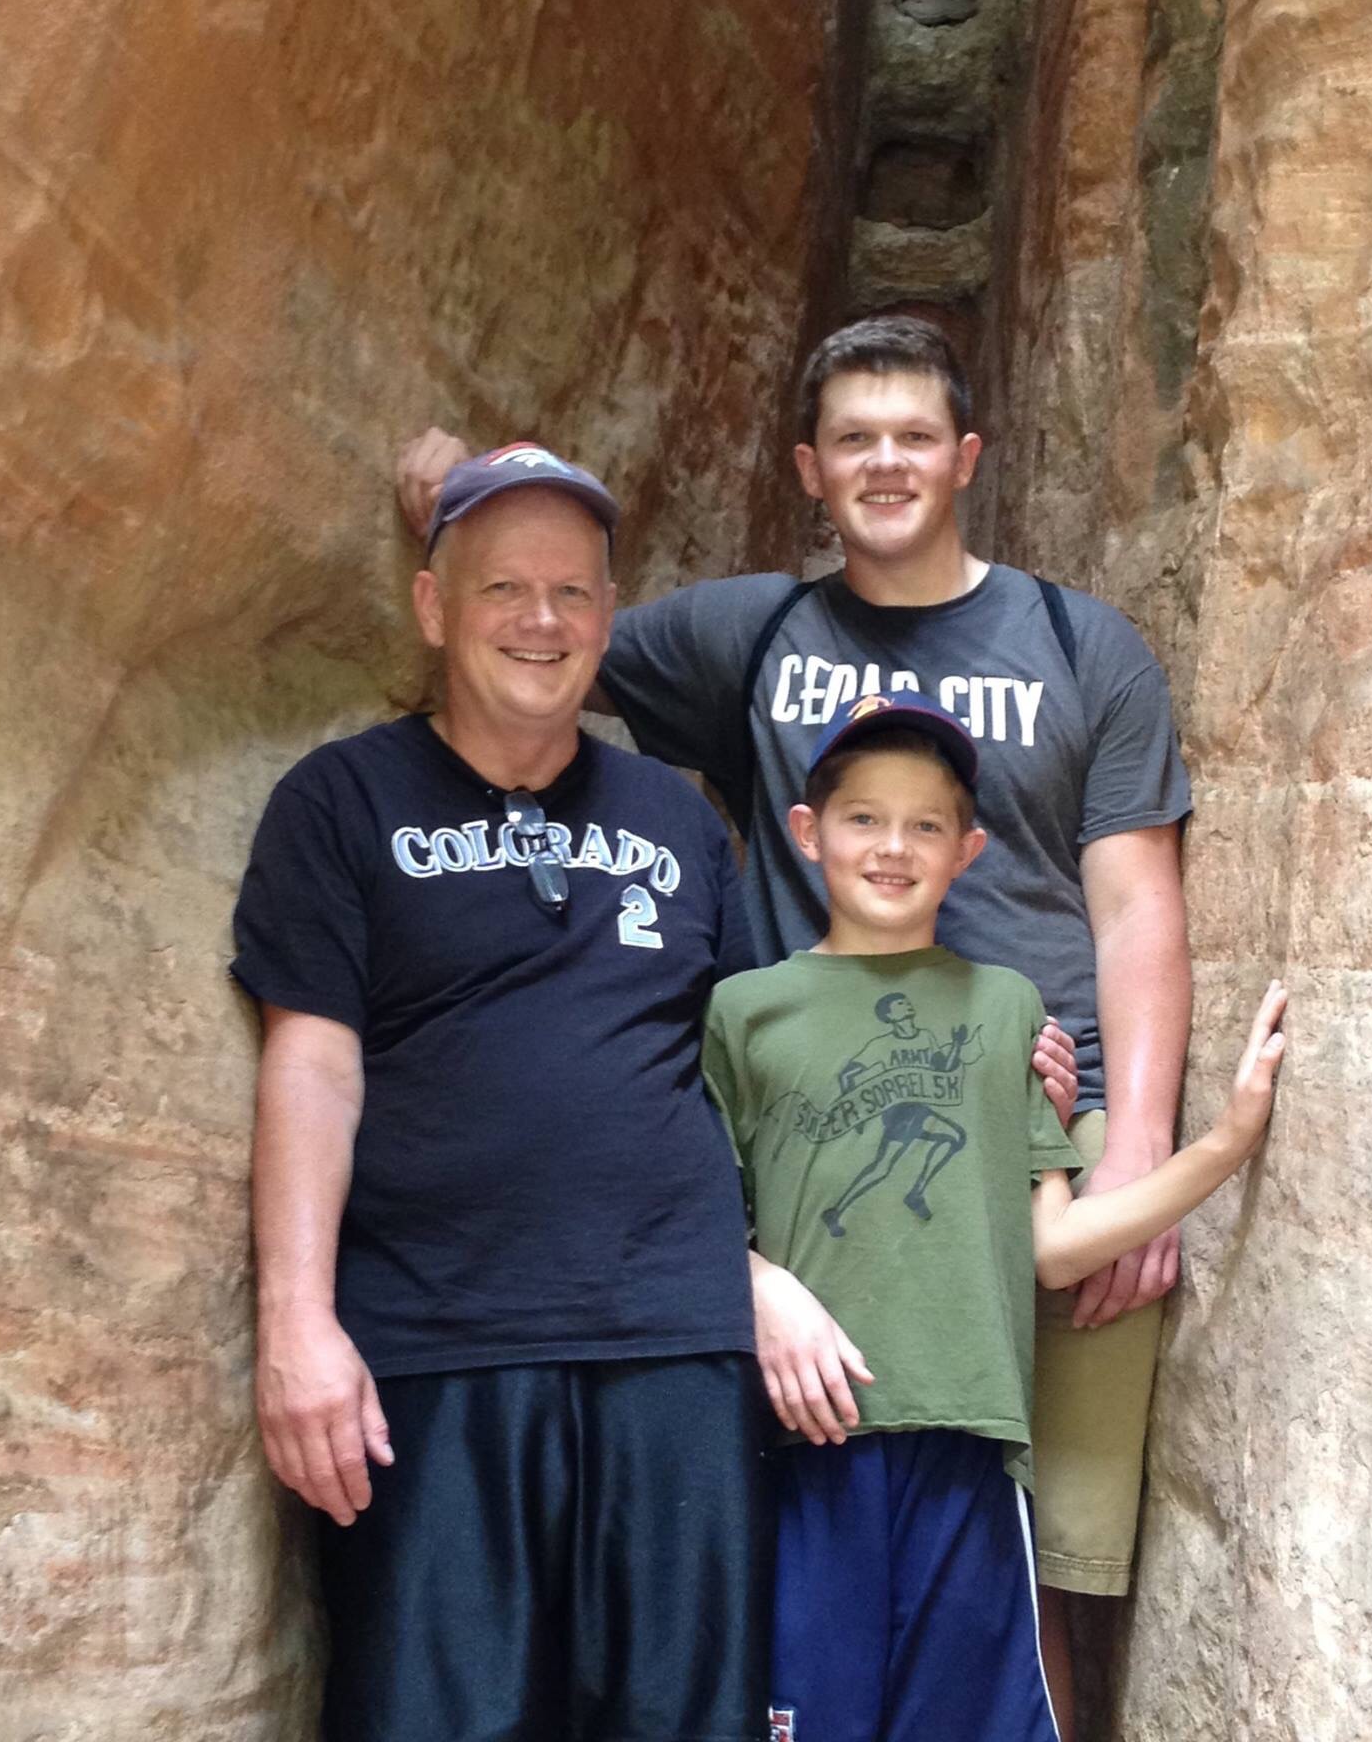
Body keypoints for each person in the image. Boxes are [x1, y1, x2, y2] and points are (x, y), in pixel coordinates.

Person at [398, 315, 1193, 1734]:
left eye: (912, 435)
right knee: (810, 1535)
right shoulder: (750, 633)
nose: (884, 463)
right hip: (818, 1158)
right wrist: (462, 485)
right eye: (851, 438)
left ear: (966, 456)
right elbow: (544, 636)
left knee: (1036, 1570)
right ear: (805, 469)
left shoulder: (1080, 644)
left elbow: (1134, 905)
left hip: (1043, 1138)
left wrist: (1135, 1143)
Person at [232, 444, 782, 1742]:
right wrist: (294, 1323)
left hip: (675, 1346)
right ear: (433, 607)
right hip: (437, 1348)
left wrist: (985, 1043)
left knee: (684, 1720)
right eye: (502, 588)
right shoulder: (340, 802)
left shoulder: (680, 820)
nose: (542, 620)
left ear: (608, 614)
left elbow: (766, 1056)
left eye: (573, 592)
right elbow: (311, 1066)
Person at [700, 690, 1285, 1742]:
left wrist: (1223, 1144)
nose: (894, 846)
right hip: (811, 1437)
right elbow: (700, 1218)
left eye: (926, 824)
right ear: (807, 831)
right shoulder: (744, 1011)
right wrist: (757, 1281)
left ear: (967, 850)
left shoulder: (1006, 1005)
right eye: (864, 817)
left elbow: (1052, 1247)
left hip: (971, 1435)